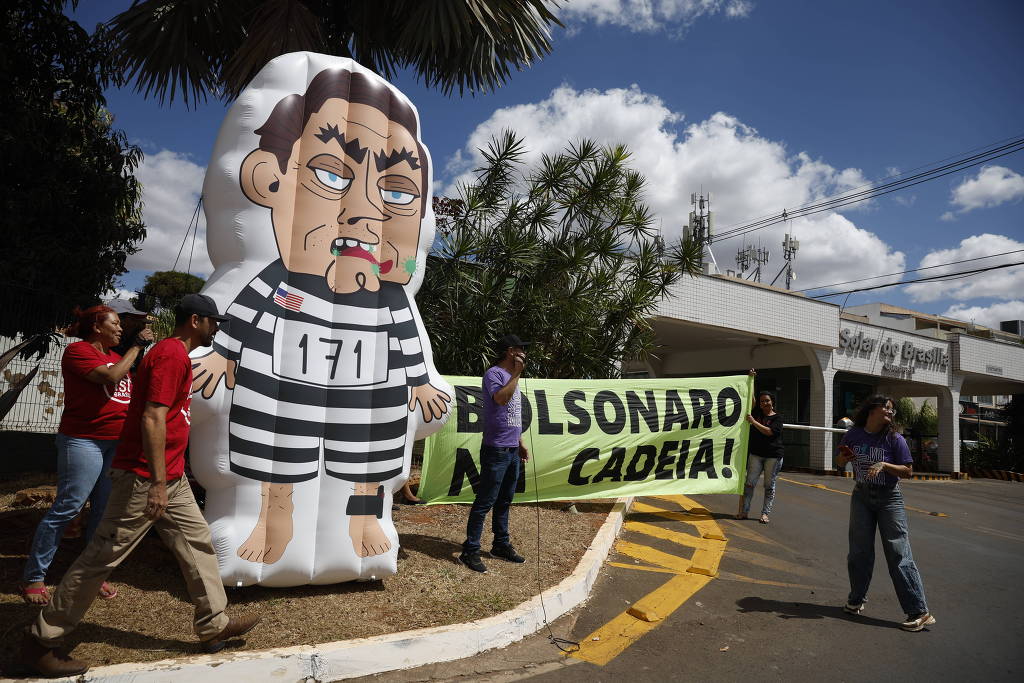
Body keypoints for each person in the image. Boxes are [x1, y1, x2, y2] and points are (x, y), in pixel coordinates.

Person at [190, 67, 451, 565]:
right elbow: (242, 316)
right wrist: (222, 357)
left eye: (396, 192)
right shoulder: (275, 280)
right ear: (268, 179)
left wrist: (419, 384)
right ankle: (275, 514)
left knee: (368, 454)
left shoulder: (388, 299)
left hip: (366, 388)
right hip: (280, 382)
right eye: (332, 176)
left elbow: (407, 340)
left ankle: (363, 516)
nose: (367, 211)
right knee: (275, 449)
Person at [22, 294, 261, 678]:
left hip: (169, 473)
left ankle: (213, 623)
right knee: (102, 556)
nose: (216, 329)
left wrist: (169, 476)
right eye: (214, 322)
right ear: (196, 321)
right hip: (144, 476)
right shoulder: (170, 355)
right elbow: (152, 417)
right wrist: (156, 483)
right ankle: (40, 641)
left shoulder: (174, 354)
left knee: (197, 542)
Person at [21, 305, 153, 605]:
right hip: (83, 442)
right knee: (69, 507)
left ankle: (92, 576)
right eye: (116, 324)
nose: (120, 329)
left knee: (103, 512)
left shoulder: (116, 356)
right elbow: (111, 378)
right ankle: (34, 576)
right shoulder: (79, 352)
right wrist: (136, 347)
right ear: (97, 327)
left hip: (114, 445)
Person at [835, 394, 935, 632]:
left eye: (893, 409)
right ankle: (856, 599)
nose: (891, 412)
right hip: (861, 495)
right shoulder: (854, 434)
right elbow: (840, 463)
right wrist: (843, 457)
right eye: (887, 408)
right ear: (872, 409)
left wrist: (885, 465)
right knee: (859, 552)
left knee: (898, 553)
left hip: (889, 498)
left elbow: (908, 471)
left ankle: (919, 611)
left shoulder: (894, 438)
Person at [459, 334, 531, 573]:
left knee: (505, 500)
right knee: (485, 501)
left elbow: (512, 414)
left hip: (511, 449)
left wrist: (519, 441)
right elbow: (500, 399)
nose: (524, 352)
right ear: (510, 351)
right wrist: (517, 373)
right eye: (521, 349)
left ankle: (500, 544)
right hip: (496, 449)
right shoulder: (494, 375)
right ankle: (470, 551)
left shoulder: (511, 378)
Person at [738, 381, 784, 524]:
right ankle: (744, 511)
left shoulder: (778, 418)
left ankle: (765, 514)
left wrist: (753, 422)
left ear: (772, 402)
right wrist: (751, 379)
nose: (765, 403)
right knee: (749, 484)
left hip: (773, 456)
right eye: (762, 401)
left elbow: (769, 432)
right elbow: (752, 400)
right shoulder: (756, 412)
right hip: (756, 455)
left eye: (767, 401)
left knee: (769, 486)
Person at [107, 299, 153, 373]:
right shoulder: (101, 346)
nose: (135, 324)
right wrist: (136, 346)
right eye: (132, 319)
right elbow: (113, 375)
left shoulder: (134, 339)